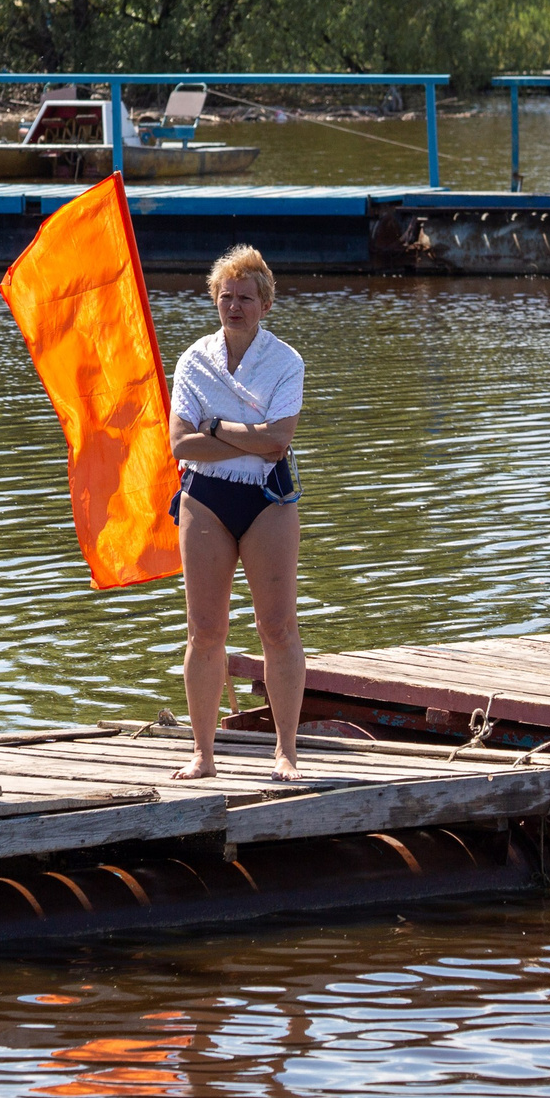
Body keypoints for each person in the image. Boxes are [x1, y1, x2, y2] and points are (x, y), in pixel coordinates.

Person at [167, 246, 305, 781]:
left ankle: (286, 750)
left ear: (265, 304)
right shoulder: (193, 360)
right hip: (206, 497)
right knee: (205, 629)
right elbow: (181, 443)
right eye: (226, 297)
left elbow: (279, 442)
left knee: (277, 626)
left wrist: (219, 429)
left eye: (246, 298)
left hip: (268, 500)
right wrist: (247, 438)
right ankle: (203, 754)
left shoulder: (285, 361)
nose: (235, 306)